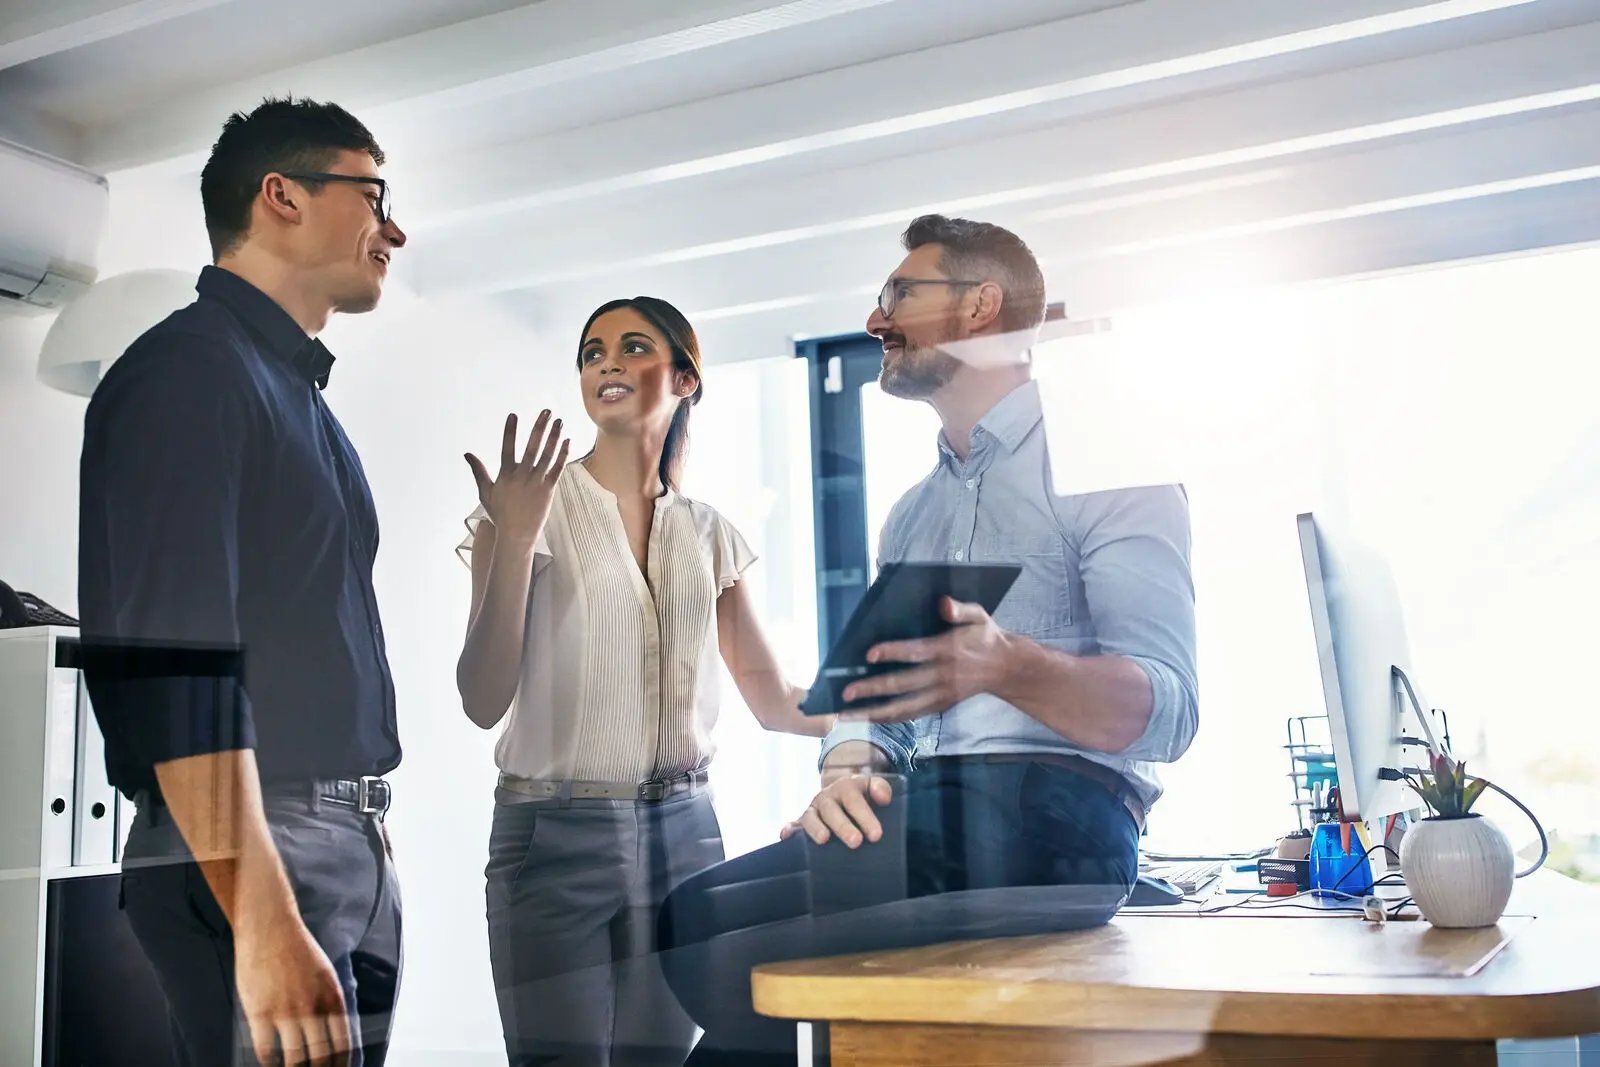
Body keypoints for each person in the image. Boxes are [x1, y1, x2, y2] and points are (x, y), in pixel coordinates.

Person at [658, 215, 1199, 1064]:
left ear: (983, 306)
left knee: (721, 940)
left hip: (1060, 818)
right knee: (690, 922)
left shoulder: (1108, 462)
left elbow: (1172, 709)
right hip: (933, 811)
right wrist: (851, 769)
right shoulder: (912, 516)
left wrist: (1011, 664)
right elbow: (875, 703)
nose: (876, 321)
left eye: (899, 295)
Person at [78, 97, 408, 1067]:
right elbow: (179, 673)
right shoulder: (187, 373)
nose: (395, 227)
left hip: (342, 842)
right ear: (282, 197)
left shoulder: (298, 398)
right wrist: (263, 918)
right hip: (257, 849)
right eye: (374, 194)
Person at [455, 296, 831, 1066]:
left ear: (686, 379)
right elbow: (481, 696)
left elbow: (775, 699)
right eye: (593, 353)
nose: (608, 364)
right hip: (554, 835)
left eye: (632, 347)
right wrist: (516, 535)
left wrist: (895, 704)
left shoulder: (708, 531)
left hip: (686, 835)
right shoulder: (529, 508)